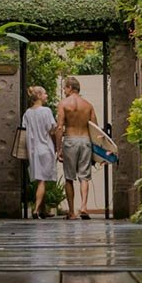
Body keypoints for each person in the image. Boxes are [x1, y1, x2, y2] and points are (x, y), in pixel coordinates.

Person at [55, 76, 97, 219]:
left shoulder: (63, 104)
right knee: (84, 177)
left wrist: (58, 148)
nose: (64, 91)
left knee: (69, 178)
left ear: (70, 88)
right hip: (85, 140)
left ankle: (72, 212)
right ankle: (84, 206)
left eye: (65, 88)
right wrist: (97, 151)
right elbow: (95, 129)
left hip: (70, 140)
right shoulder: (88, 105)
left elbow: (60, 127)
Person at [20, 86, 58, 218]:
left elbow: (23, 131)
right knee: (42, 180)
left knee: (39, 179)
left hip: (33, 150)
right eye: (45, 93)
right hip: (45, 148)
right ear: (40, 96)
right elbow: (52, 129)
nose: (47, 96)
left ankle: (43, 210)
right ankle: (36, 210)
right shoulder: (46, 111)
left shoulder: (27, 113)